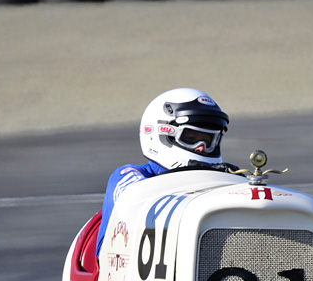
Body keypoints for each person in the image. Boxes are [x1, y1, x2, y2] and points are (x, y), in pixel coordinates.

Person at [97, 88, 230, 254]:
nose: (201, 147)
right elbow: (144, 205)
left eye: (208, 140)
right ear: (161, 134)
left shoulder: (227, 176)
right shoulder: (129, 176)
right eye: (191, 139)